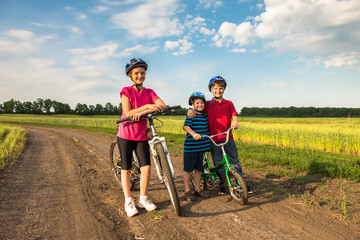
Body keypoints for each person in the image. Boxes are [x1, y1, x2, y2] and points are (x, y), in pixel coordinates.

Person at [117, 58, 166, 217]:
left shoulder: (150, 92)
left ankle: (143, 199)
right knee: (127, 168)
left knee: (146, 168)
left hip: (141, 135)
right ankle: (128, 201)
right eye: (136, 73)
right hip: (126, 134)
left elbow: (161, 105)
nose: (140, 75)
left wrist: (151, 107)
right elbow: (129, 112)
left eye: (142, 73)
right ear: (130, 76)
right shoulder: (126, 91)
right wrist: (146, 107)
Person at [188, 76, 253, 195]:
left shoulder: (229, 103)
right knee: (218, 163)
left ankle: (240, 183)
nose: (218, 90)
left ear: (224, 89)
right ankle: (223, 184)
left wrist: (235, 121)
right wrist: (190, 111)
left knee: (234, 161)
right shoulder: (207, 104)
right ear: (211, 90)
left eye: (221, 88)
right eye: (216, 88)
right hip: (213, 139)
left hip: (228, 137)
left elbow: (234, 115)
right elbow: (197, 108)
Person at [183, 92, 210, 201]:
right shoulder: (191, 115)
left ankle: (197, 189)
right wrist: (193, 134)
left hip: (201, 148)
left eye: (202, 102)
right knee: (188, 170)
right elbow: (186, 126)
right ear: (193, 105)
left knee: (198, 169)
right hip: (191, 148)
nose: (200, 104)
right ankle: (187, 191)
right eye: (197, 103)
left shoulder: (205, 115)